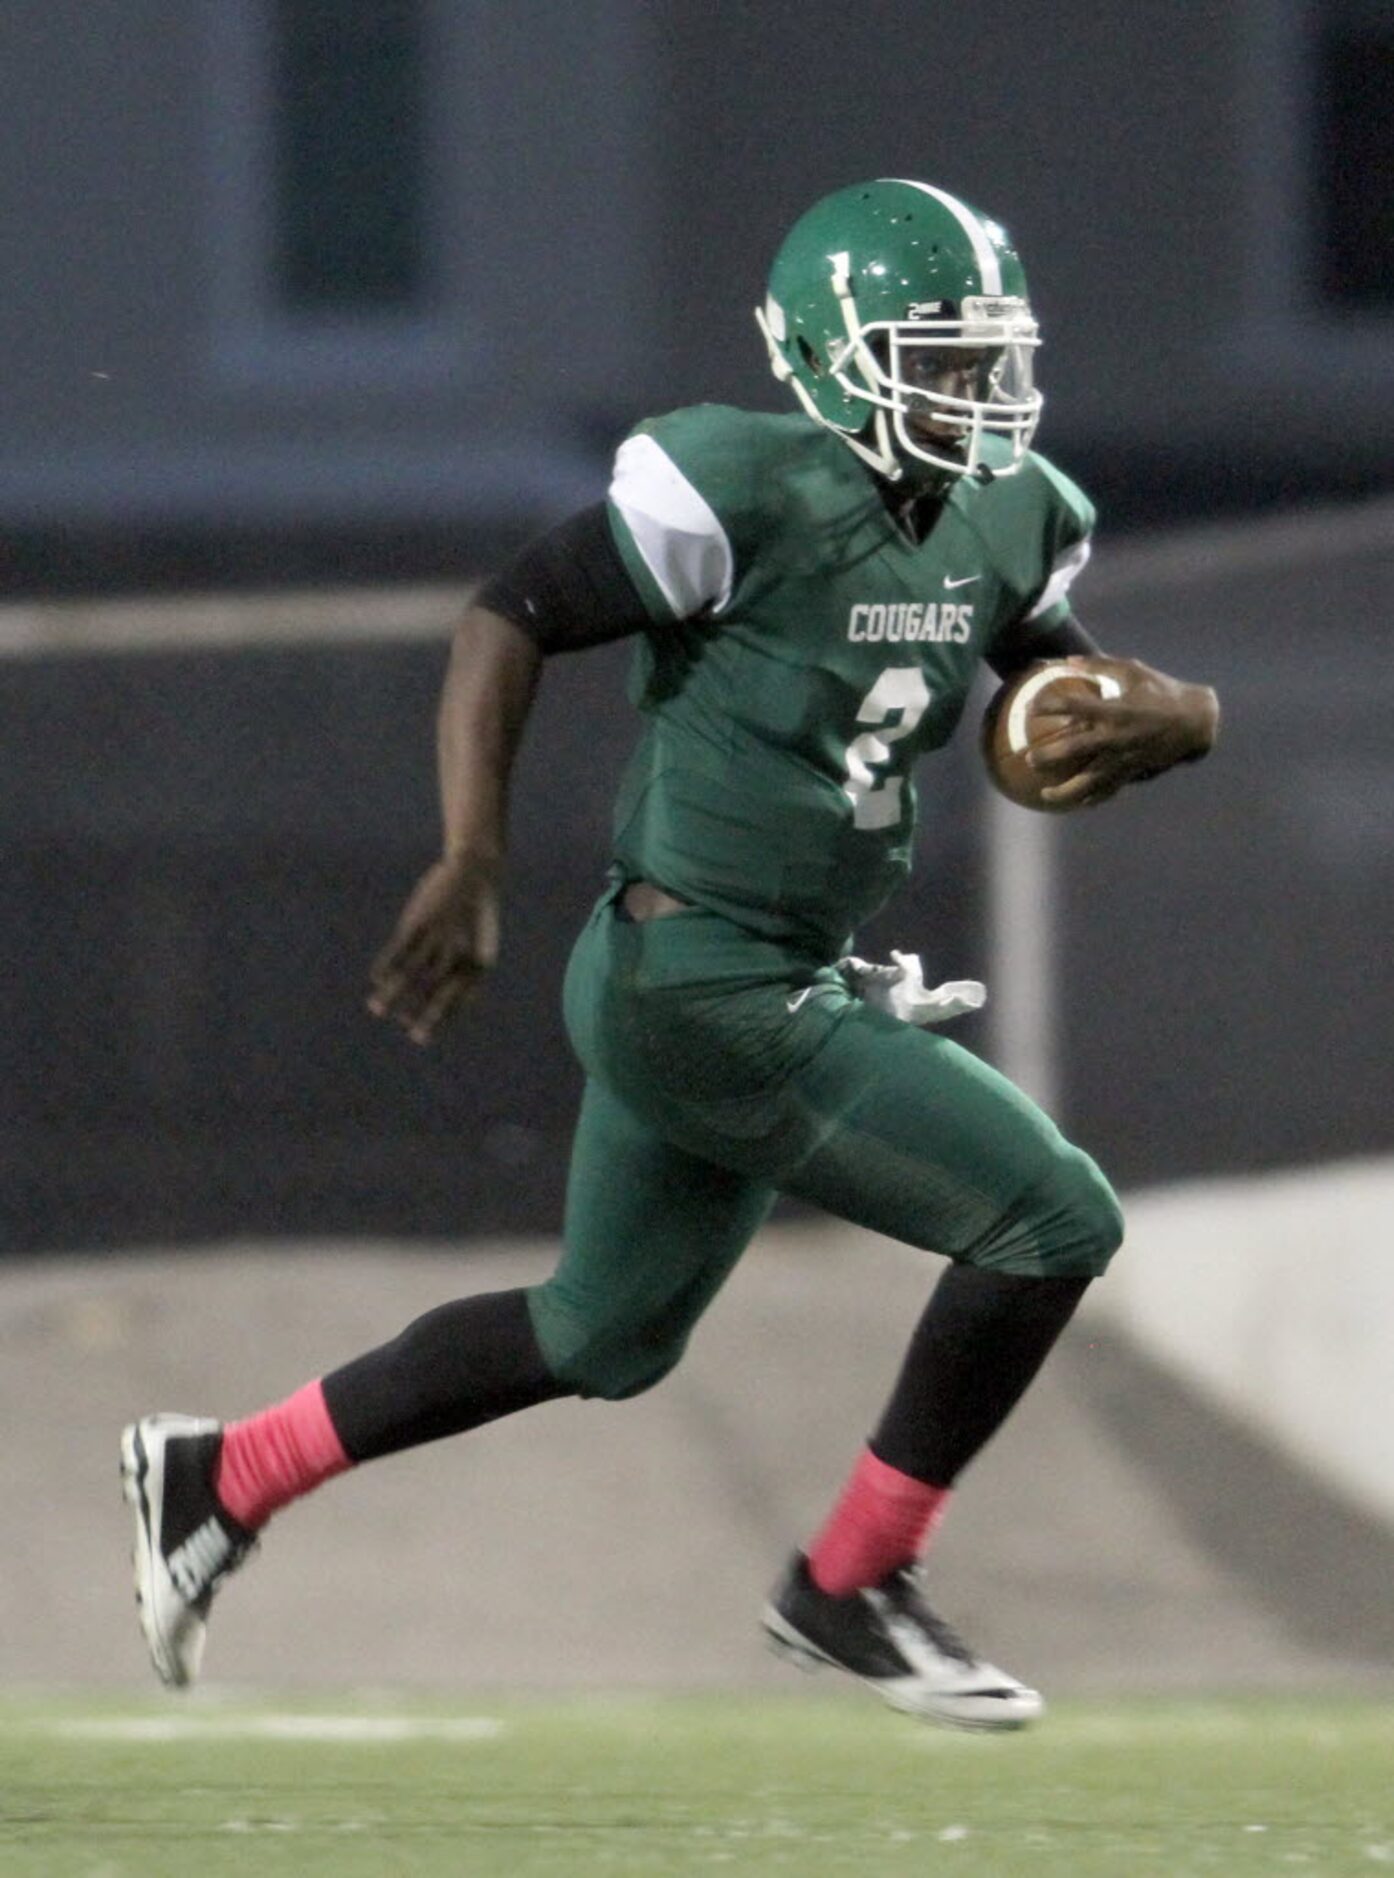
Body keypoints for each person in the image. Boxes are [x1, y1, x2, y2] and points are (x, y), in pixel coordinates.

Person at [121, 178, 1218, 1727]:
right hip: (704, 979)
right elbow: (506, 615)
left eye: (988, 357)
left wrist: (1164, 709)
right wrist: (472, 853)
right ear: (832, 354)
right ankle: (851, 1582)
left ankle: (224, 1470)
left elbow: (1047, 708)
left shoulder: (1012, 505)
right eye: (941, 357)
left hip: (746, 966)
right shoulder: (741, 487)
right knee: (1051, 1218)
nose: (977, 392)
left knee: (599, 1332)